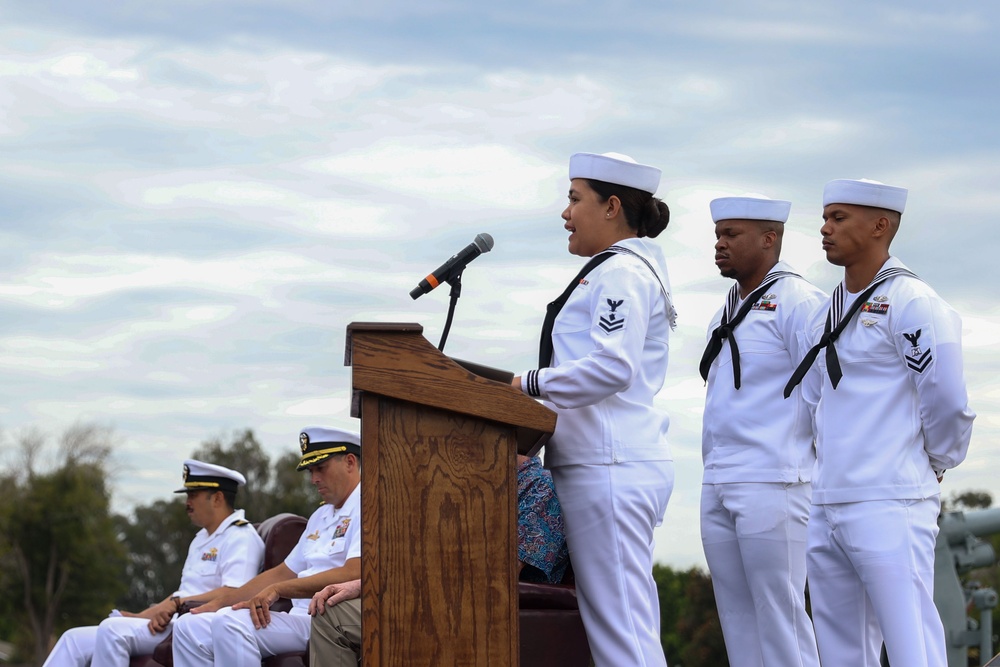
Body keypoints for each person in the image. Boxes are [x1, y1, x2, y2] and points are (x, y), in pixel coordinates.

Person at [785, 178, 975, 667]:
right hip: (828, 501)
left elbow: (947, 397)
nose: (824, 229)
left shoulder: (913, 301)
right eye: (825, 217)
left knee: (913, 647)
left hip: (891, 499)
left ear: (880, 226)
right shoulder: (824, 309)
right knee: (842, 653)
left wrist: (933, 462)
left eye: (838, 218)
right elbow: (813, 400)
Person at [510, 151, 676, 667]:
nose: (565, 212)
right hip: (603, 464)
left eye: (574, 198)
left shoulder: (621, 273)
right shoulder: (613, 270)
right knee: (623, 631)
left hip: (611, 467)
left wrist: (524, 384)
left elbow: (613, 367)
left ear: (612, 207)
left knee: (622, 636)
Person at [698, 195, 824, 667]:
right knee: (737, 619)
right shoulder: (728, 307)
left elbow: (823, 395)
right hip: (720, 477)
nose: (719, 243)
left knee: (780, 619)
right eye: (717, 234)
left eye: (732, 234)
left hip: (775, 479)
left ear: (769, 238)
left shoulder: (799, 300)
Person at [305, 453, 570, 667]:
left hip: (486, 612)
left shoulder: (538, 486)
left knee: (335, 619)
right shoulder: (474, 482)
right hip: (438, 598)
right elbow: (425, 559)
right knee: (330, 611)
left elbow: (500, 573)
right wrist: (364, 584)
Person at [171, 426, 362, 667]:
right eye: (311, 471)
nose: (314, 479)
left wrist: (280, 589)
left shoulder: (367, 505)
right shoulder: (320, 516)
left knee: (230, 623)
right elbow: (283, 571)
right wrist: (223, 601)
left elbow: (355, 572)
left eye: (320, 469)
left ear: (349, 462)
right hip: (300, 617)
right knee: (189, 626)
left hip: (330, 617)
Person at [43, 460, 264, 667]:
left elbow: (236, 592)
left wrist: (178, 605)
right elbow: (181, 594)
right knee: (73, 639)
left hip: (199, 626)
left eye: (193, 495)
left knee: (112, 630)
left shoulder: (240, 537)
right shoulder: (201, 539)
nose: (187, 503)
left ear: (217, 498)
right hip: (175, 620)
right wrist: (140, 616)